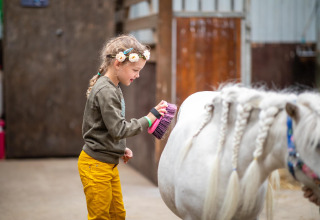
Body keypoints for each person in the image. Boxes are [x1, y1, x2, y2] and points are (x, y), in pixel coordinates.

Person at [78, 34, 167, 220]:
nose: (138, 75)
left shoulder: (114, 86)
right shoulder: (106, 91)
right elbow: (118, 129)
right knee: (101, 216)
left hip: (108, 162)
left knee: (117, 214)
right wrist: (149, 119)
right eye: (135, 69)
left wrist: (119, 148)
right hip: (96, 165)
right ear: (118, 64)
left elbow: (105, 127)